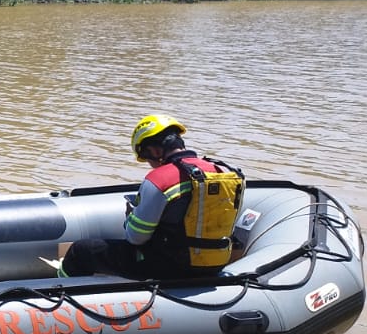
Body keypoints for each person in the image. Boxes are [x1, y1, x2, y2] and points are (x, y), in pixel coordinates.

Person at [61, 116, 245, 278]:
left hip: (169, 266)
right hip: (216, 264)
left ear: (154, 151)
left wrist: (130, 217)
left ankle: (57, 295)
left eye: (146, 157)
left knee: (82, 250)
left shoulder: (160, 179)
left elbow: (136, 238)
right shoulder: (224, 172)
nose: (150, 164)